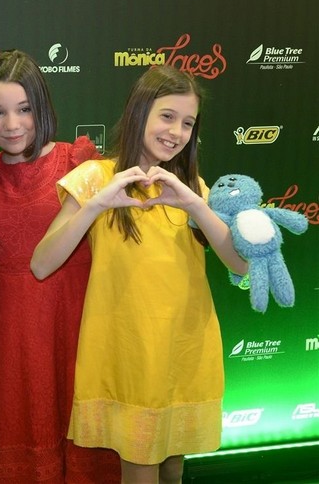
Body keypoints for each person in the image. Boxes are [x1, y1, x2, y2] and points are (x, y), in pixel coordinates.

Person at [30, 65, 248, 484]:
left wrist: (196, 204)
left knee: (172, 469)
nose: (176, 132)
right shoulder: (96, 177)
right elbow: (41, 264)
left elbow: (240, 264)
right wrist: (97, 204)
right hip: (129, 355)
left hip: (185, 350)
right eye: (167, 116)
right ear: (139, 112)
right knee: (141, 469)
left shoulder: (193, 187)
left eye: (187, 123)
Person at [0, 49, 120, 482]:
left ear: (41, 106)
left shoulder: (77, 162)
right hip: (10, 331)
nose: (12, 124)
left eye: (24, 109)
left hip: (75, 321)